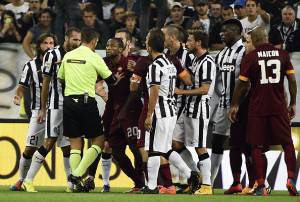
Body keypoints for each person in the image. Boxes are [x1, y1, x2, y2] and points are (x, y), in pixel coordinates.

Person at [229, 26, 299, 196]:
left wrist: (235, 104)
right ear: (266, 37)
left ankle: (261, 185)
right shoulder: (282, 55)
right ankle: (290, 178)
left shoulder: (251, 57)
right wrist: (293, 103)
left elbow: (243, 84)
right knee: (288, 144)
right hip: (278, 106)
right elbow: (291, 79)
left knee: (257, 147)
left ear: (254, 39)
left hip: (258, 108)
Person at [57, 27, 123, 192]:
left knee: (75, 144)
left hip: (69, 102)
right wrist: (117, 78)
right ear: (94, 41)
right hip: (86, 102)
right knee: (99, 141)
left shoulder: (68, 56)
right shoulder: (94, 57)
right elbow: (111, 79)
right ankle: (78, 174)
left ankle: (73, 185)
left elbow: (61, 78)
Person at [21, 27, 81, 193]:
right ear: (67, 38)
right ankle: (28, 180)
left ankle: (71, 184)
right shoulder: (52, 54)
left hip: (72, 105)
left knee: (68, 146)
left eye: (79, 40)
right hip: (56, 104)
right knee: (49, 141)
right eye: (74, 40)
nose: (77, 43)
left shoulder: (78, 54)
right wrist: (42, 107)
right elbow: (45, 82)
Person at [142, 28, 199, 194]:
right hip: (171, 111)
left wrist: (149, 115)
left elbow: (154, 90)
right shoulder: (170, 63)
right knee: (166, 149)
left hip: (159, 112)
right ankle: (191, 174)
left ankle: (151, 187)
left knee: (153, 149)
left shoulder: (155, 66)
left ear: (150, 46)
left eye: (147, 40)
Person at [10, 33, 56, 191]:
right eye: (45, 42)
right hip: (38, 112)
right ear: (39, 45)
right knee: (30, 147)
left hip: (58, 109)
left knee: (67, 147)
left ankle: (71, 183)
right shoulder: (30, 65)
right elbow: (22, 85)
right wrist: (18, 96)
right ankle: (21, 180)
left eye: (51, 43)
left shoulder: (60, 63)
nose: (48, 46)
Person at [175, 29, 216, 195]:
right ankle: (194, 174)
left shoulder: (207, 62)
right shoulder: (196, 61)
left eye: (190, 40)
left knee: (200, 146)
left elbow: (205, 89)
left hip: (199, 108)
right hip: (188, 108)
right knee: (175, 143)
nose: (187, 43)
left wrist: (180, 92)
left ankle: (207, 185)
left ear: (198, 43)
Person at [210, 19, 246, 186]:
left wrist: (238, 103)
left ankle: (250, 181)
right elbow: (217, 80)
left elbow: (247, 81)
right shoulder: (222, 53)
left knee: (241, 144)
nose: (222, 34)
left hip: (240, 107)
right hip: (223, 105)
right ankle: (208, 181)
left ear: (236, 31)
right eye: (221, 31)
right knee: (217, 141)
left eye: (226, 31)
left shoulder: (244, 51)